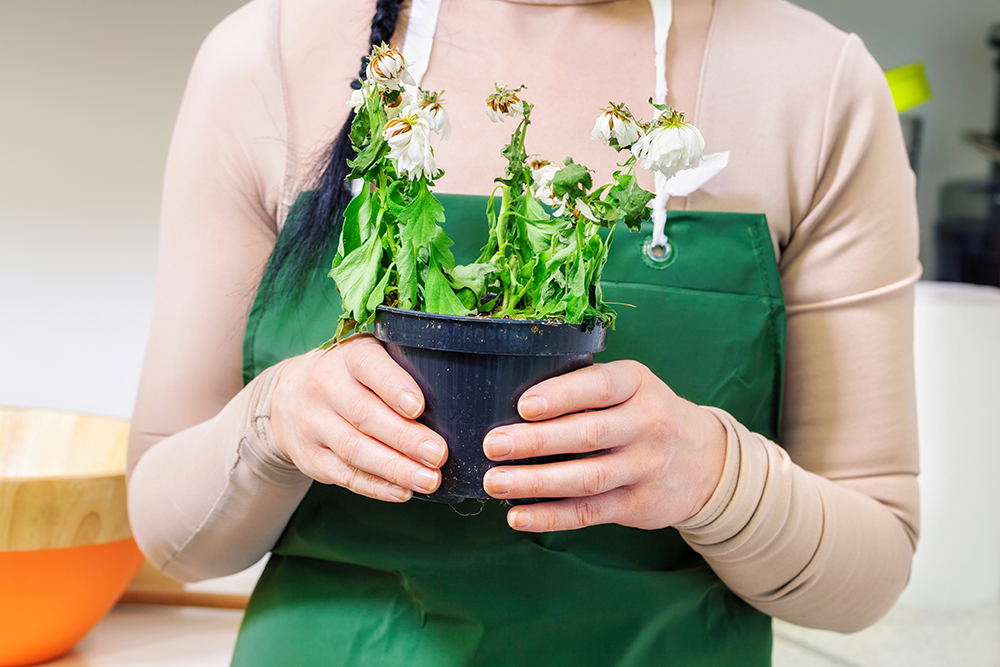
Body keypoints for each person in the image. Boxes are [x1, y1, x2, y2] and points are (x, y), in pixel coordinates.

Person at [126, 0, 920, 664]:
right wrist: (273, 421)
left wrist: (713, 474)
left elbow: (870, 567)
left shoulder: (815, 87)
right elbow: (172, 537)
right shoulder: (265, 59)